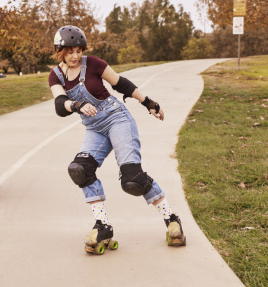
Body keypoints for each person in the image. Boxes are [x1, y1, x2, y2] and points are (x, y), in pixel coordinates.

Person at [48, 25, 186, 248]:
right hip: (94, 128)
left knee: (133, 180)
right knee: (80, 170)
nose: (75, 56)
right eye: (70, 51)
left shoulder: (93, 63)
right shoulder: (55, 76)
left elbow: (120, 83)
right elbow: (59, 105)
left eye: (79, 50)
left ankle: (171, 219)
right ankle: (103, 226)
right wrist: (75, 104)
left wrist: (149, 103)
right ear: (60, 51)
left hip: (117, 119)